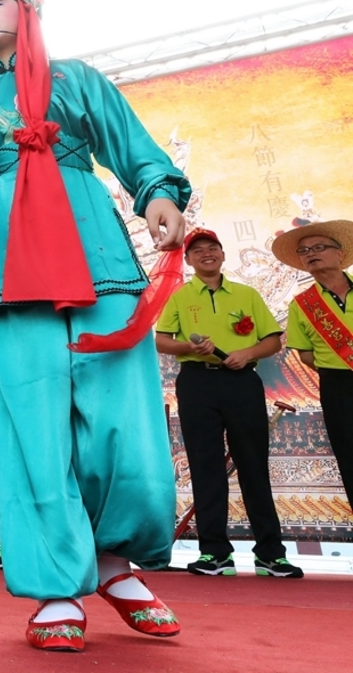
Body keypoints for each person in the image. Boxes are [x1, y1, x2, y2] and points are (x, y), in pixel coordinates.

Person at [0, 0, 188, 650]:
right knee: (34, 431)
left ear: (29, 10)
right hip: (10, 273)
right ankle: (57, 587)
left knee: (125, 421)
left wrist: (157, 193)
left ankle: (115, 564)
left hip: (99, 262)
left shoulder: (78, 79)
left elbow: (134, 149)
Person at [156, 229, 302, 578]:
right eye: (198, 251)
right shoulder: (180, 296)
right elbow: (161, 340)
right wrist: (189, 347)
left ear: (222, 254)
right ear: (188, 260)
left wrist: (247, 354)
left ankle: (271, 554)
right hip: (196, 383)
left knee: (253, 466)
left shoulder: (246, 294)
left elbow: (272, 341)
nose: (206, 254)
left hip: (242, 382)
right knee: (205, 467)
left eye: (213, 248)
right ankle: (215, 553)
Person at [273, 220, 353, 507]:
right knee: (350, 455)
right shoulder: (301, 304)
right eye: (304, 251)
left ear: (340, 253)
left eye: (318, 247)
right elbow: (305, 354)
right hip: (338, 386)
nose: (311, 254)